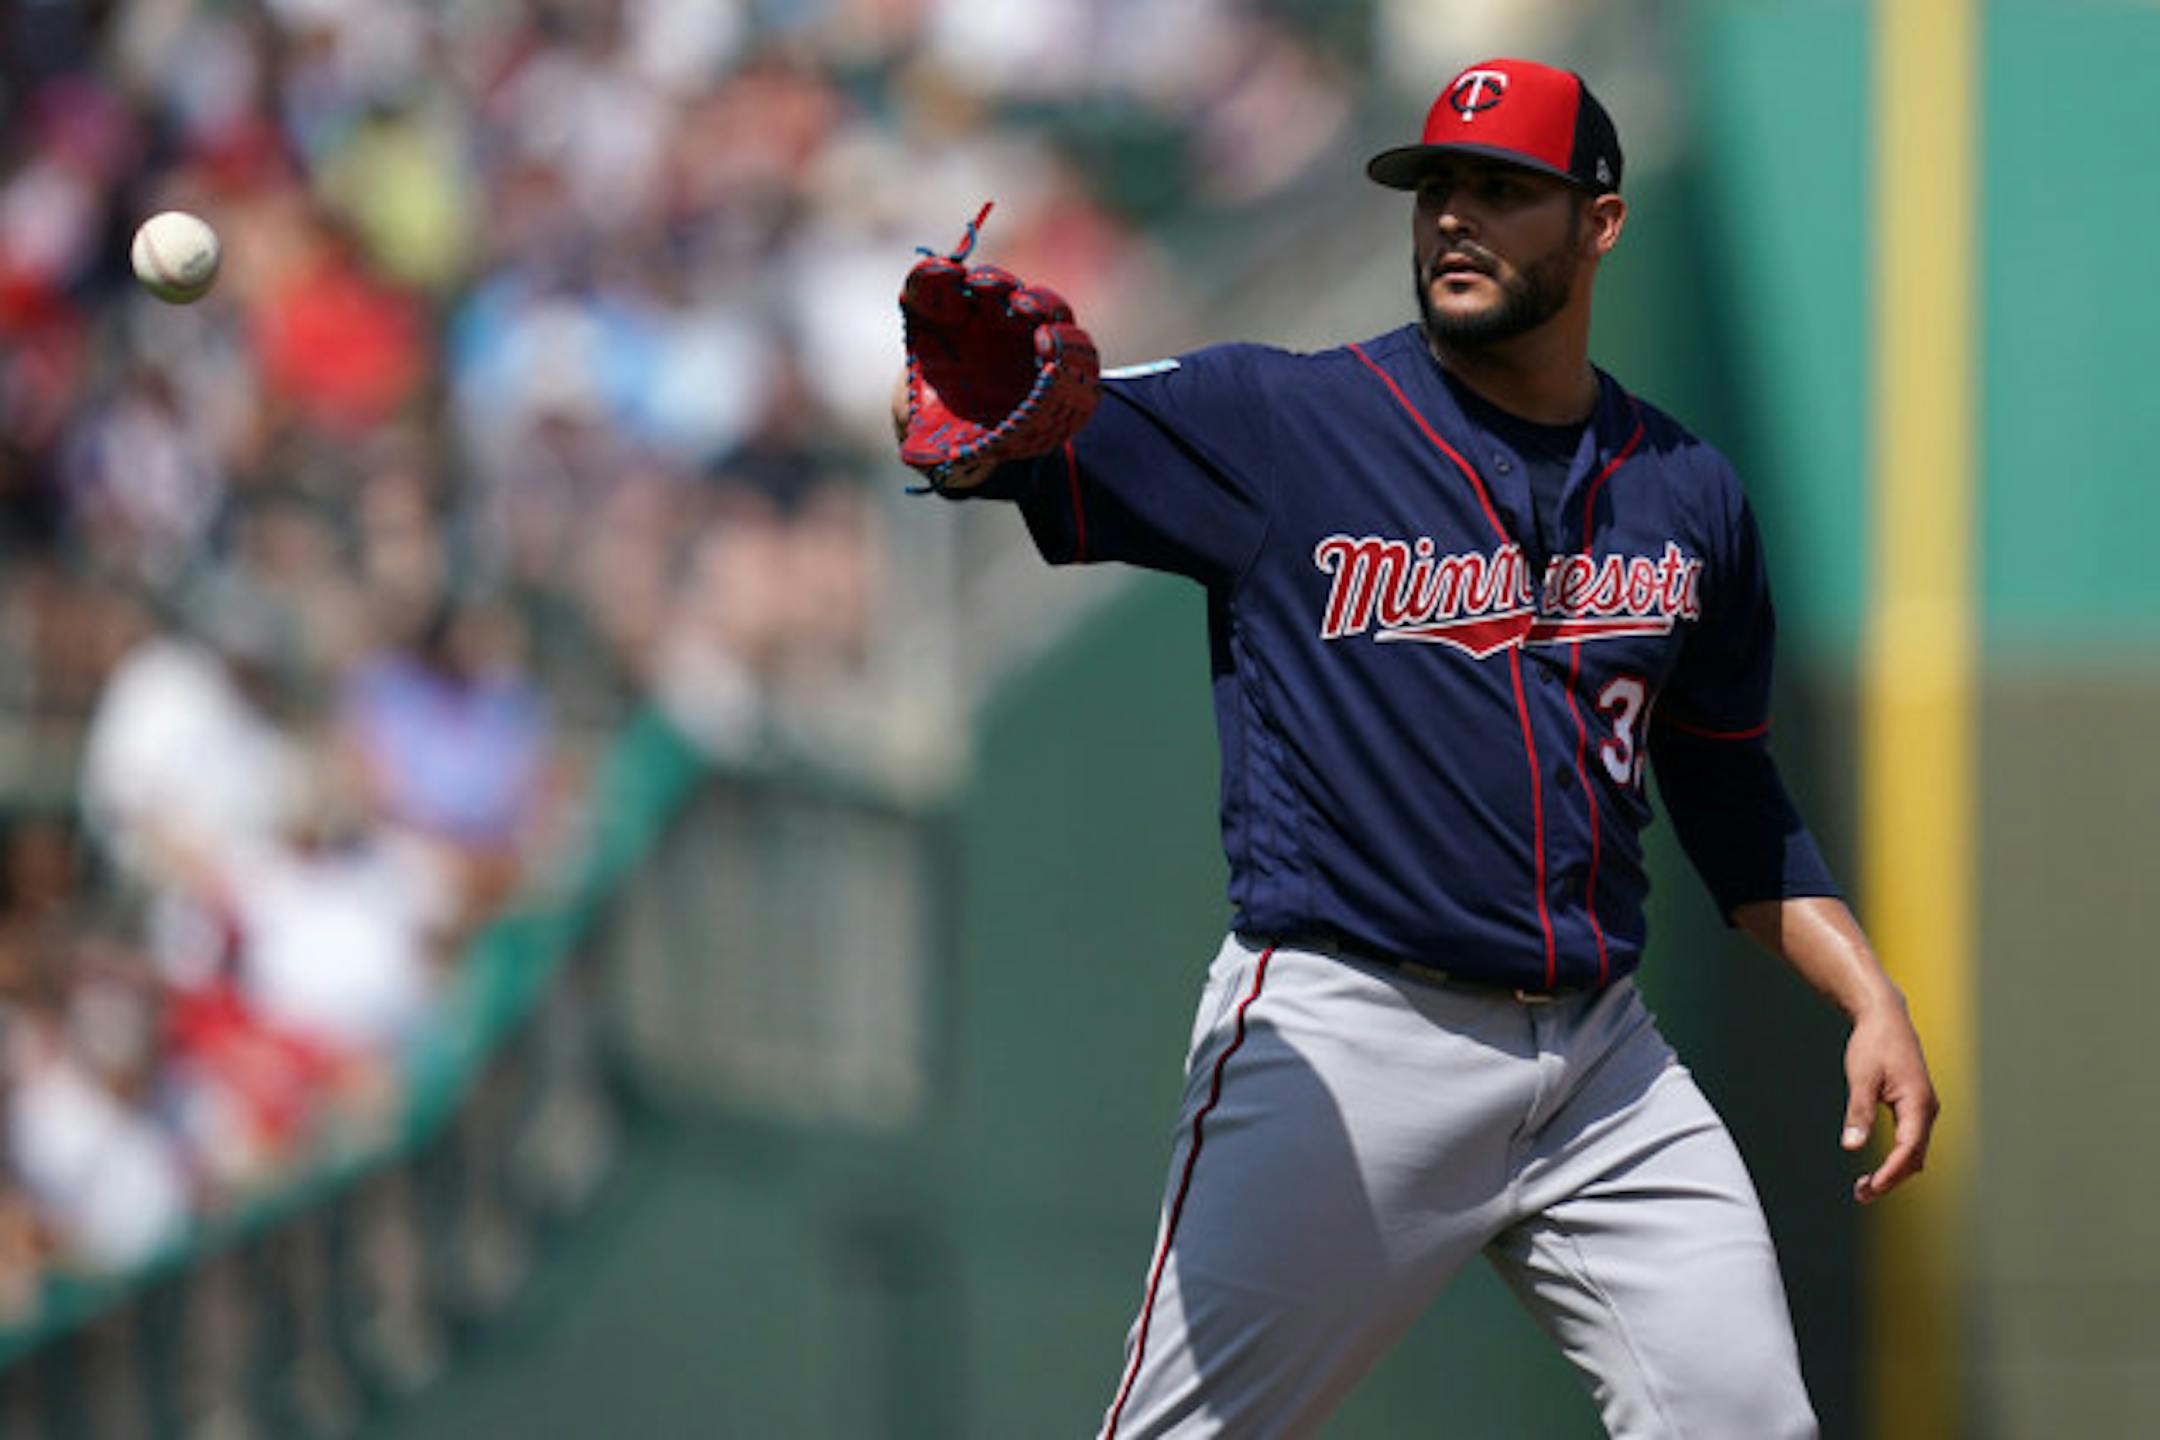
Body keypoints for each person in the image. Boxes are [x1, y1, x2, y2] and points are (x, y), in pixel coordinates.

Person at [894, 58, 1937, 1439]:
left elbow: (1732, 789)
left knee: (1751, 1422)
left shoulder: (1687, 490)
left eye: (1502, 191)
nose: (1455, 216)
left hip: (1603, 1065)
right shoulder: (1286, 421)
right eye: (1436, 186)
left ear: (1601, 225)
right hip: (1353, 1036)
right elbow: (1011, 432)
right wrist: (971, 426)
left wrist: (1869, 995)